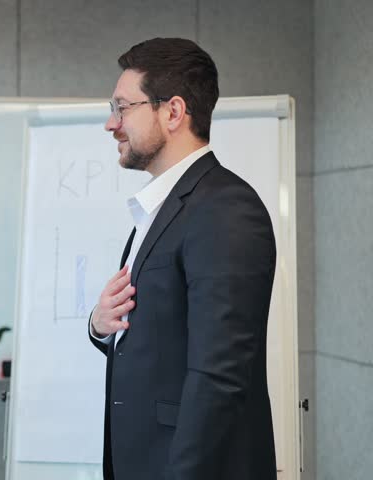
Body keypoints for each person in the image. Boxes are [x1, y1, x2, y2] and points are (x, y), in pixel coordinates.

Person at [88, 38, 278, 480]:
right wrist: (100, 325)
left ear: (173, 112)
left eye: (122, 107)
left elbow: (219, 377)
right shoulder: (162, 208)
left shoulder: (225, 208)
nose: (111, 124)